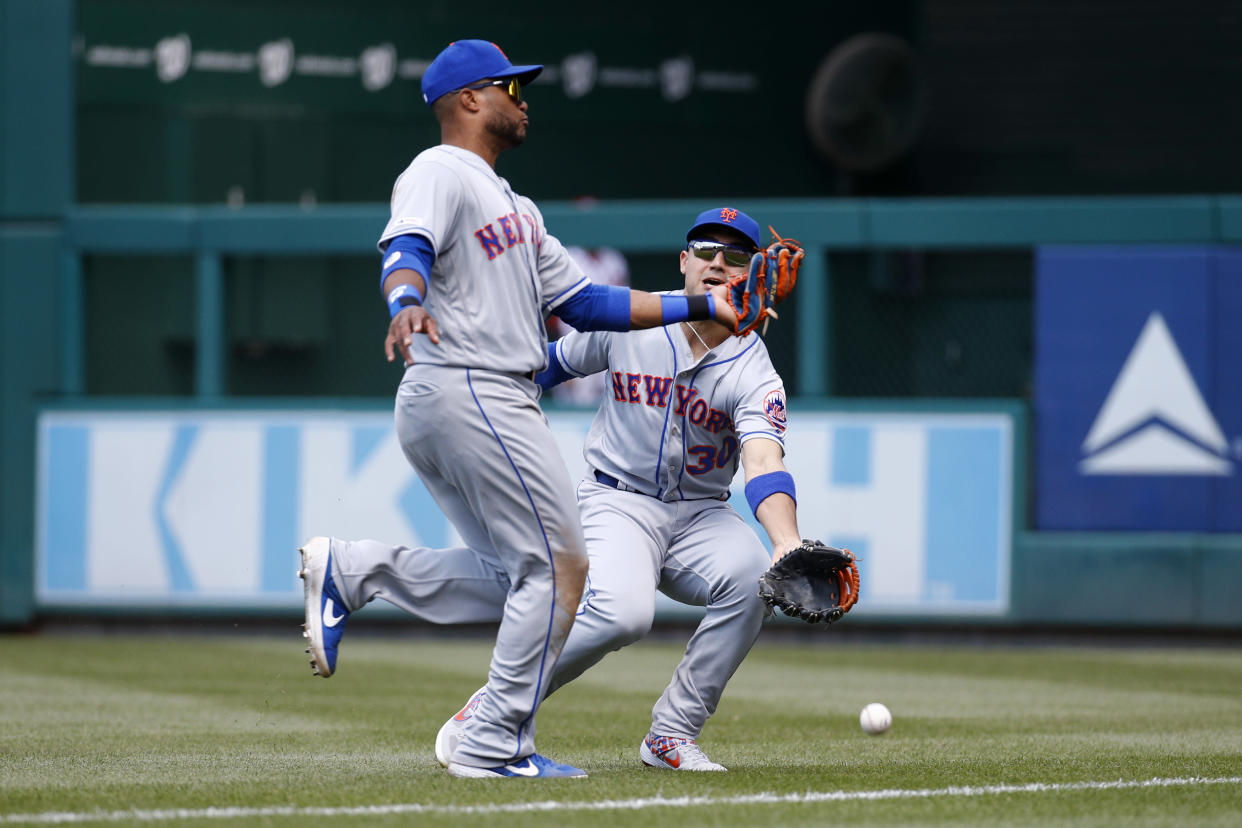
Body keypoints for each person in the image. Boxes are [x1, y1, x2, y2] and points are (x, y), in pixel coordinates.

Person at [296, 40, 741, 780]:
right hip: (475, 382)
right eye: (511, 85)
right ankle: (491, 741)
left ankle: (355, 569)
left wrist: (703, 303)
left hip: (465, 395)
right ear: (469, 99)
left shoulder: (517, 206)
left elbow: (589, 303)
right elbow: (405, 246)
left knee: (517, 577)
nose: (524, 97)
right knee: (563, 568)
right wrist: (405, 301)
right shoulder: (439, 171)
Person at [434, 206, 803, 772]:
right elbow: (544, 366)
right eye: (705, 250)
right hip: (617, 499)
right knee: (622, 613)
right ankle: (494, 711)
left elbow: (762, 458)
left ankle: (671, 735)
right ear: (684, 261)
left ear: (752, 274)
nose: (717, 264)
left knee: (757, 580)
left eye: (735, 257)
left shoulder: (754, 369)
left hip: (701, 513)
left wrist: (786, 542)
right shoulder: (635, 321)